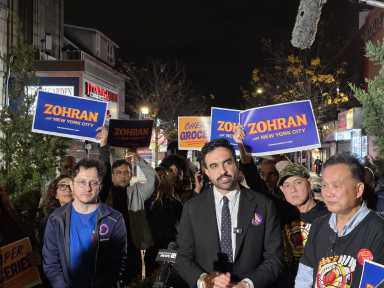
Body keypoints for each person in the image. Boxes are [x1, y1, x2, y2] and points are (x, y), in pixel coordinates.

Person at [175, 138, 283, 288]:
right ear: (206, 171)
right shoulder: (192, 208)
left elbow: (275, 258)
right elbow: (182, 257)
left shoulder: (264, 205)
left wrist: (248, 284)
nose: (223, 171)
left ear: (236, 163)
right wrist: (204, 281)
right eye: (214, 166)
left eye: (227, 162)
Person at [295, 153, 384, 288]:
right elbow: (304, 276)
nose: (328, 193)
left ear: (358, 190)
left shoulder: (378, 231)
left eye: (336, 186)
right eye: (324, 185)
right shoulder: (318, 225)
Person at [42, 159, 127, 288]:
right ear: (72, 184)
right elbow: (51, 262)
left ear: (100, 186)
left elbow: (118, 261)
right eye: (82, 182)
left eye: (93, 182)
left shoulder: (114, 218)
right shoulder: (56, 219)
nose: (88, 188)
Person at [97, 126, 156, 283]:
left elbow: (151, 179)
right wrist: (104, 145)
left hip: (132, 245)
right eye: (119, 173)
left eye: (126, 172)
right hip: (109, 245)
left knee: (132, 279)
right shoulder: (104, 192)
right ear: (113, 176)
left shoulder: (136, 192)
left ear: (131, 175)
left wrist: (136, 157)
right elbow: (104, 169)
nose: (123, 176)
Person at [277, 163, 328, 286]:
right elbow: (256, 186)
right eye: (287, 185)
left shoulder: (328, 215)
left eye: (298, 182)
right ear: (282, 190)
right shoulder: (281, 214)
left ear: (309, 183)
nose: (293, 189)